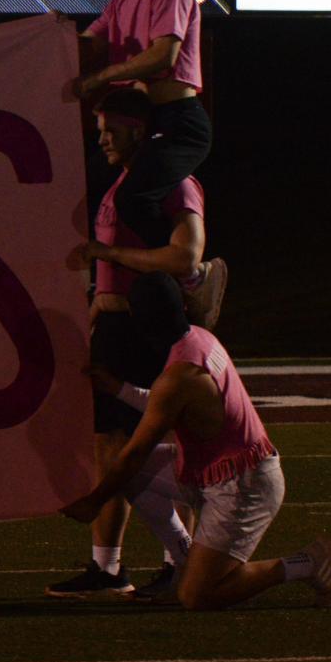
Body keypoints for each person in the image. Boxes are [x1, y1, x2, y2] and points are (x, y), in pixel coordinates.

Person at [63, 274, 331, 611]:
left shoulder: (180, 374)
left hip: (243, 485)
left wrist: (94, 501)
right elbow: (173, 401)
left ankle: (306, 563)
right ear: (181, 306)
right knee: (129, 475)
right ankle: (185, 557)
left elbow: (138, 449)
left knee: (197, 596)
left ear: (138, 320)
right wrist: (119, 388)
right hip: (216, 469)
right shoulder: (200, 339)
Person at [46, 89, 224, 602]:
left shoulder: (174, 183)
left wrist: (110, 266)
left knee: (165, 450)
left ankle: (178, 564)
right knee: (108, 449)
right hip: (117, 328)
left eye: (111, 128)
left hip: (148, 332)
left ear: (140, 130)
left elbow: (186, 256)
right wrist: (100, 298)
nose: (101, 138)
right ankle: (109, 568)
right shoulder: (123, 184)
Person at [72, 0, 210, 248]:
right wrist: (51, 31)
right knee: (83, 192)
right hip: (137, 123)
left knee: (133, 200)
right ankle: (110, 282)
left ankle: (186, 275)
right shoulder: (119, 1)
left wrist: (102, 77)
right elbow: (85, 46)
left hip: (176, 122)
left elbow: (163, 56)